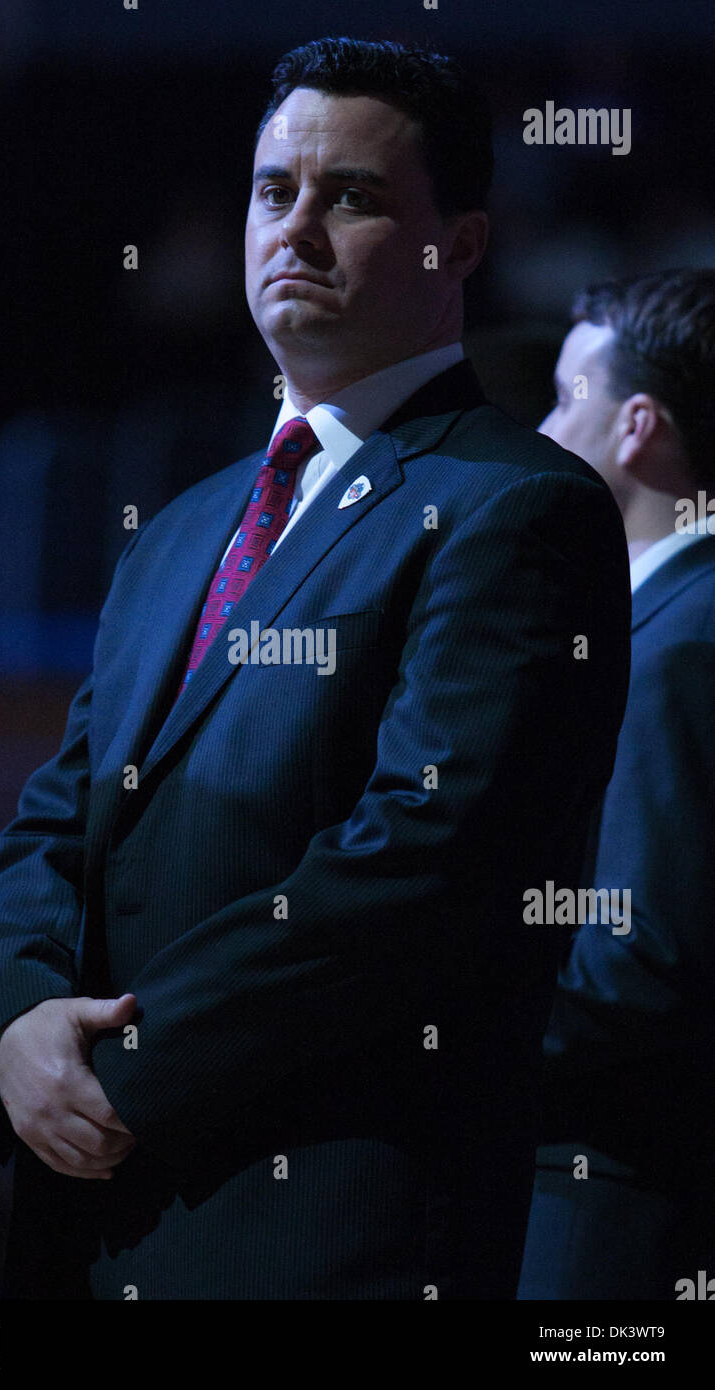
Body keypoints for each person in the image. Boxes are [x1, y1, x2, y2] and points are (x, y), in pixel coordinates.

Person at [0, 37, 630, 1300]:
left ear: (463, 246)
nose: (299, 228)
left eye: (355, 196)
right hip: (92, 1220)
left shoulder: (515, 504)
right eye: (275, 191)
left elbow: (420, 866)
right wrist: (11, 1023)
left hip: (319, 1235)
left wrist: (116, 1068)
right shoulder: (178, 530)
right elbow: (51, 825)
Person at [518, 268, 715, 1300]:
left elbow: (634, 962)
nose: (544, 429)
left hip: (613, 1213)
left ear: (635, 424)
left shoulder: (678, 640)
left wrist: (428, 1026)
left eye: (564, 396)